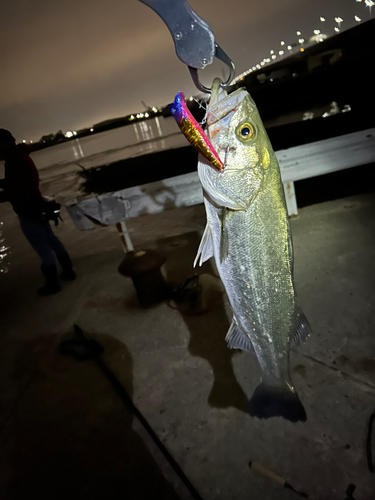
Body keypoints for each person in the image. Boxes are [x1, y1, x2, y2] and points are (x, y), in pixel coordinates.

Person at [0, 128, 76, 295]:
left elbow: (17, 189)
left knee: (42, 248)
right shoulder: (21, 157)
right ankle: (68, 272)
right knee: (51, 240)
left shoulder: (14, 161)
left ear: (5, 143)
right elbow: (19, 183)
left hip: (28, 210)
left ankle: (53, 284)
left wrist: (4, 192)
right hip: (37, 205)